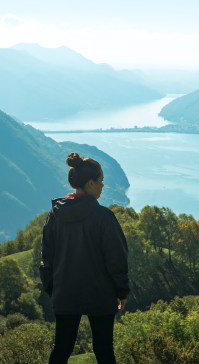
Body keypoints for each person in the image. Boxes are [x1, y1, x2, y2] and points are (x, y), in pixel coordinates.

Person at [40, 152, 129, 364]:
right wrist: (121, 291)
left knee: (61, 348)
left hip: (66, 293)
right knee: (104, 350)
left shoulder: (55, 216)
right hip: (101, 294)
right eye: (101, 181)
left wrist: (54, 289)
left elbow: (46, 258)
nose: (103, 186)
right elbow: (116, 258)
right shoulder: (104, 218)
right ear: (90, 183)